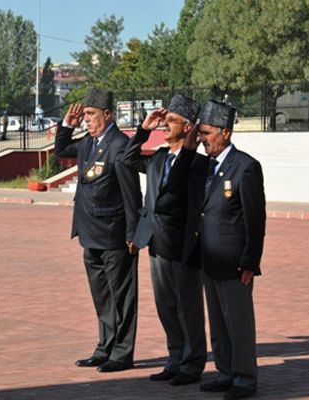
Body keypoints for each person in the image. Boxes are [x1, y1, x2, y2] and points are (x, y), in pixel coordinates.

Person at [182, 100, 266, 400]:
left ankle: (244, 378)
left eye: (206, 133)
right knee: (217, 321)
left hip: (234, 262)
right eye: (200, 133)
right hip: (209, 257)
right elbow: (180, 177)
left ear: (225, 132)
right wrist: (190, 145)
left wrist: (250, 261)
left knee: (238, 323)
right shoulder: (204, 165)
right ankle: (225, 372)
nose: (203, 138)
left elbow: (255, 219)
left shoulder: (245, 167)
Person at [55, 88, 142, 373]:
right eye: (86, 115)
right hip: (90, 233)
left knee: (122, 297)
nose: (87, 120)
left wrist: (133, 233)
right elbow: (61, 150)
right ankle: (105, 347)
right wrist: (67, 125)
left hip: (115, 235)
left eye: (91, 115)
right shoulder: (88, 143)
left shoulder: (120, 144)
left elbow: (132, 194)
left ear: (108, 114)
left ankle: (122, 352)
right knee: (102, 296)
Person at [123, 95, 206, 386]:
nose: (166, 124)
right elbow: (128, 158)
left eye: (173, 120)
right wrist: (144, 129)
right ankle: (175, 358)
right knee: (166, 305)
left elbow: (180, 189)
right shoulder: (158, 157)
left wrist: (190, 148)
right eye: (166, 119)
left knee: (188, 306)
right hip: (156, 240)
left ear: (188, 127)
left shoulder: (197, 162)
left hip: (183, 244)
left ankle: (193, 363)